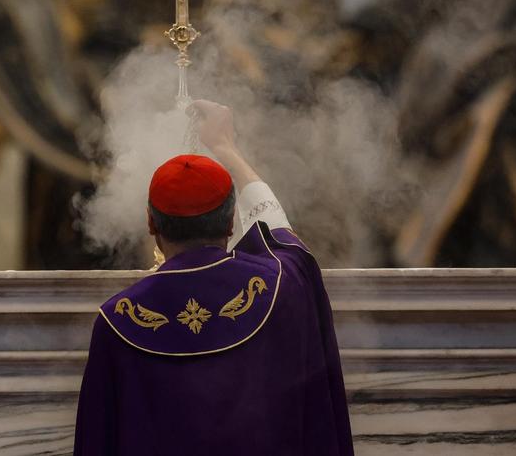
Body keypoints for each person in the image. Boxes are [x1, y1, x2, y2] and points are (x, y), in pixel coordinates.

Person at [73, 100, 354, 456]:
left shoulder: (119, 320)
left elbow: (97, 442)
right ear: (231, 222)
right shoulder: (280, 288)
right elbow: (280, 234)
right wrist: (226, 148)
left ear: (150, 224)